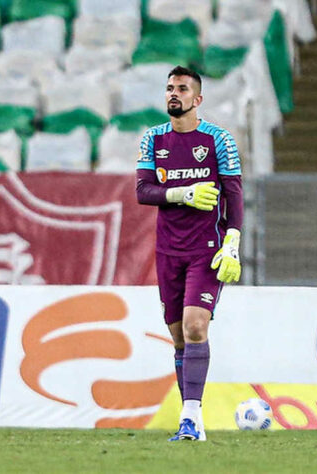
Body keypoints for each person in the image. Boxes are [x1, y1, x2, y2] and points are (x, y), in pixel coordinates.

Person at [135, 66, 243, 441]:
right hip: (168, 250)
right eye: (169, 88)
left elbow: (234, 193)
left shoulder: (218, 140)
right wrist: (182, 193)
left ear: (197, 99)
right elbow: (143, 191)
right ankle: (193, 422)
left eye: (181, 89)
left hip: (206, 249)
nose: (173, 94)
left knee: (197, 325)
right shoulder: (153, 139)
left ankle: (189, 417)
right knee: (179, 338)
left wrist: (233, 239)